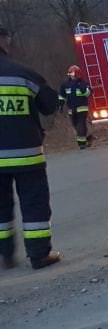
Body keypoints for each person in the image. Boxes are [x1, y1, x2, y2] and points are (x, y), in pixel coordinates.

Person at [0, 27, 61, 269]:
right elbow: (49, 105)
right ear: (3, 42)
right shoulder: (23, 75)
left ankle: (5, 256)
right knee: (34, 205)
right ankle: (39, 255)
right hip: (26, 157)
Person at [58, 65, 91, 149]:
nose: (72, 76)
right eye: (71, 74)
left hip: (82, 109)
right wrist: (60, 105)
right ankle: (86, 138)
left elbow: (88, 93)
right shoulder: (65, 84)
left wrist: (83, 87)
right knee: (76, 126)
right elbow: (62, 95)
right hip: (71, 110)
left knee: (81, 125)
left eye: (73, 74)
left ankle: (82, 144)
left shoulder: (83, 83)